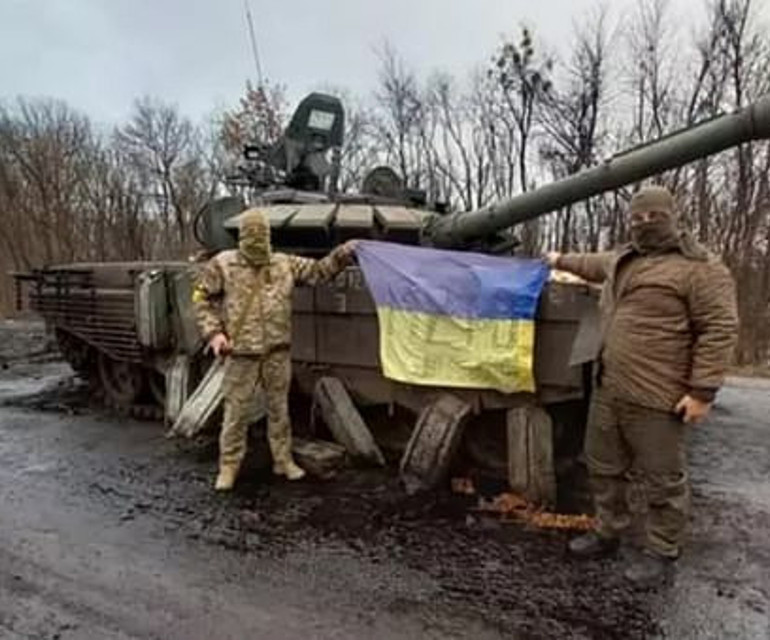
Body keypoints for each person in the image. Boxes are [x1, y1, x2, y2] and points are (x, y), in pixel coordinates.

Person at [545, 185, 738, 586]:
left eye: (653, 217)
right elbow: (593, 263)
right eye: (637, 218)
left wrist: (702, 392)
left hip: (658, 395)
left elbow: (719, 329)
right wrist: (560, 258)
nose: (644, 224)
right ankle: (607, 531)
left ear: (671, 216)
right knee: (602, 467)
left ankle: (662, 551)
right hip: (610, 386)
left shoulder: (700, 268)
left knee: (662, 479)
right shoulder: (624, 259)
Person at [193, 208, 357, 491]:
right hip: (240, 353)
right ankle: (229, 466)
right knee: (236, 414)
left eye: (261, 235)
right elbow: (201, 297)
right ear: (242, 236)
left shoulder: (283, 264)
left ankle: (282, 460)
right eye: (251, 235)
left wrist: (343, 253)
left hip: (277, 352)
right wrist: (214, 334)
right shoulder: (224, 264)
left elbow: (319, 272)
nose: (257, 240)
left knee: (279, 411)